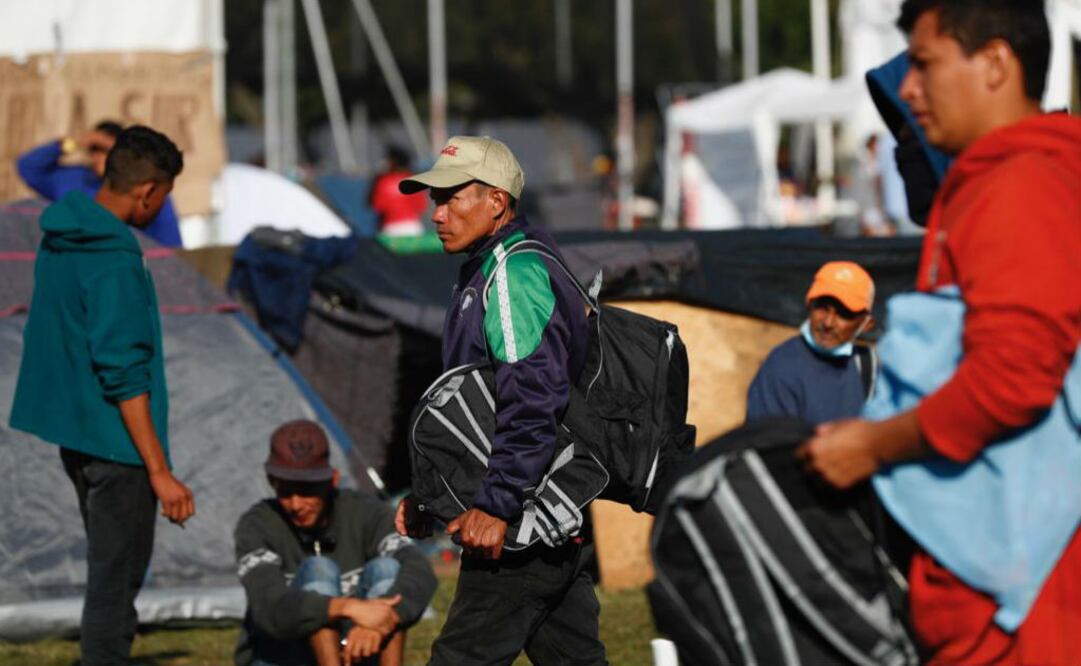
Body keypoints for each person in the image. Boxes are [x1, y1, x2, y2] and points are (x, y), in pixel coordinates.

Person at [799, 1, 1081, 663]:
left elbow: (1012, 376)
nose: (907, 90)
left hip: (1019, 596)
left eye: (923, 65)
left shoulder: (1019, 183)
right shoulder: (1013, 179)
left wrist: (873, 445)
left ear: (994, 63)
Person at [394, 136, 607, 666]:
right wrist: (430, 496)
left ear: (496, 201)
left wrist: (496, 503)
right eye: (433, 201)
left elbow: (532, 396)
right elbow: (474, 410)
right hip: (544, 512)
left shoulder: (513, 272)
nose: (437, 214)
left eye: (451, 198)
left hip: (518, 519)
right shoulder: (489, 265)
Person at [9, 125, 194, 666]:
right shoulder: (114, 256)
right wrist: (159, 470)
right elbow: (124, 371)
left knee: (110, 572)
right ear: (148, 192)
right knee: (115, 583)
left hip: (77, 437)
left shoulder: (64, 232)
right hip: (119, 446)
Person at [233, 419, 436, 666]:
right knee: (319, 569)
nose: (296, 504)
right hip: (281, 656)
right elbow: (270, 608)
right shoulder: (256, 525)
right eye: (286, 491)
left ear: (332, 480)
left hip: (356, 648)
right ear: (270, 481)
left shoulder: (366, 512)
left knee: (388, 569)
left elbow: (419, 568)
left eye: (306, 490)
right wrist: (347, 607)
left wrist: (385, 618)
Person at [16, 120, 184, 247]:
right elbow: (27, 167)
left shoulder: (147, 187)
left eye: (106, 151)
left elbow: (172, 247)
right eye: (94, 149)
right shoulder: (72, 179)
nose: (99, 157)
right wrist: (73, 143)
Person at [746, 261, 876, 425]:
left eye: (843, 314)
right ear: (809, 304)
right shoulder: (781, 366)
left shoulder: (868, 367)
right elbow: (768, 442)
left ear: (866, 324)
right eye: (822, 308)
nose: (828, 323)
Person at [368, 146, 428, 237]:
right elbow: (421, 206)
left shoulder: (382, 181)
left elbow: (376, 206)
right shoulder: (412, 180)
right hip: (413, 227)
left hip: (391, 229)